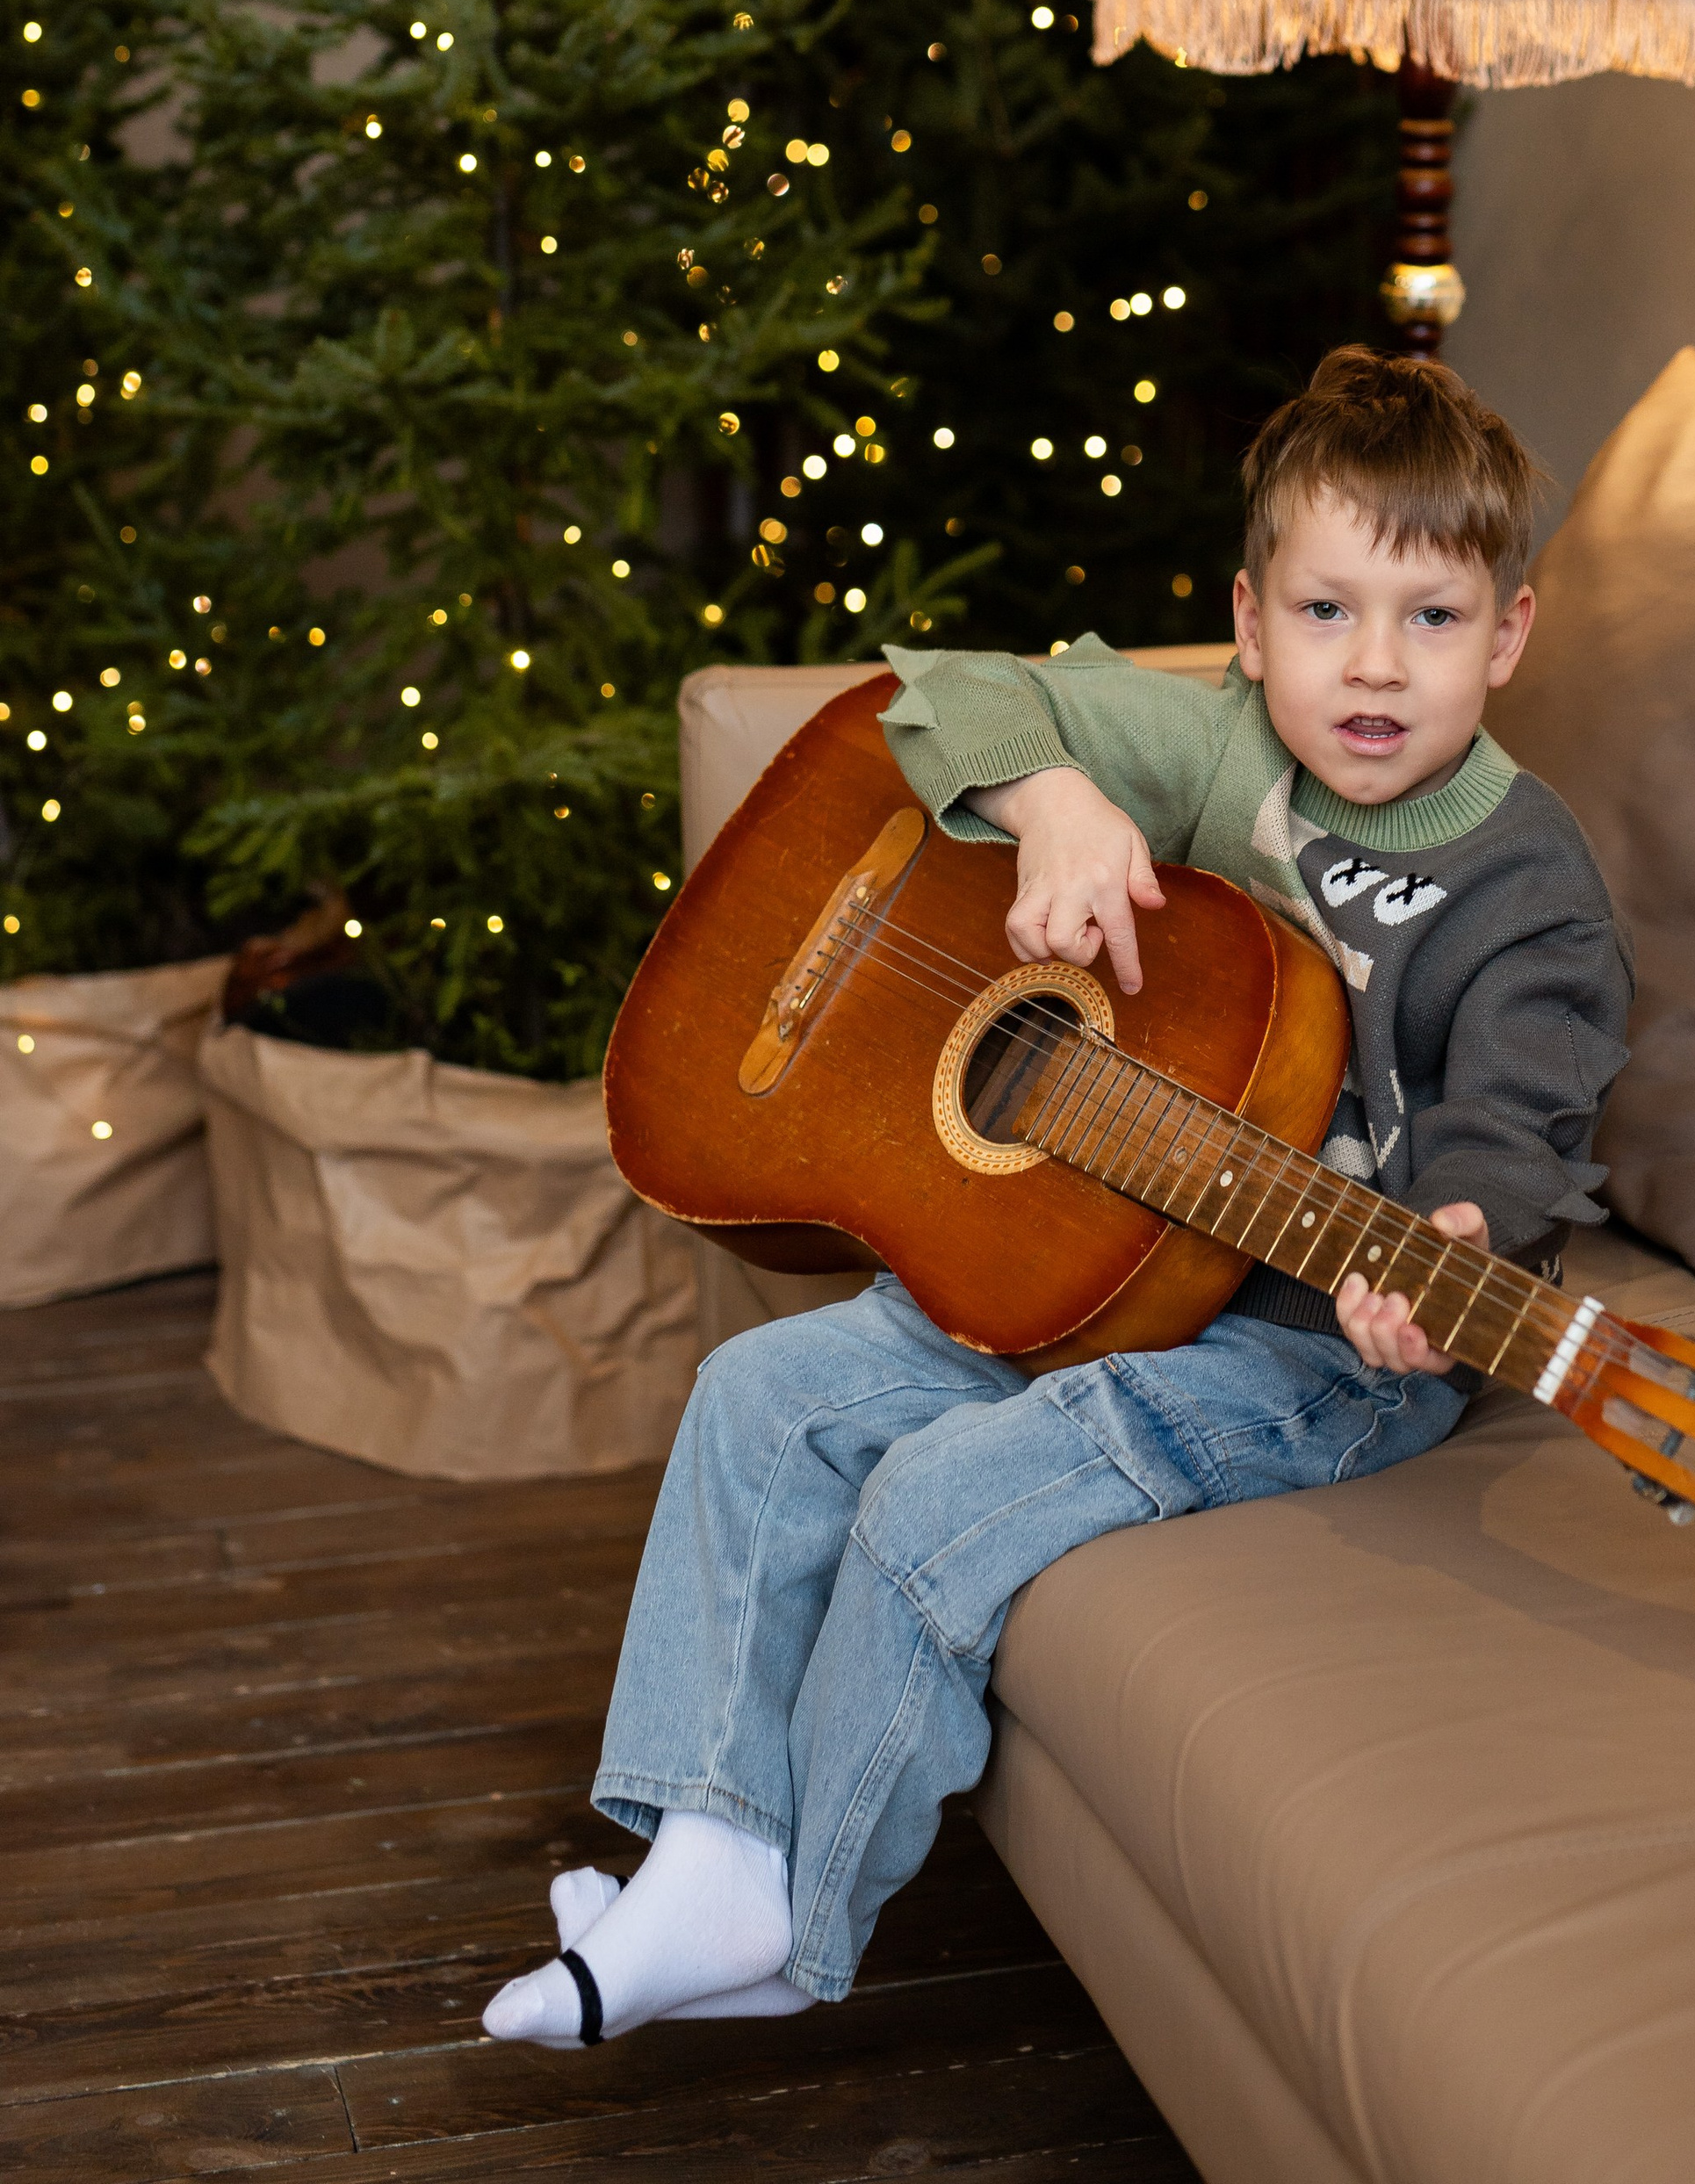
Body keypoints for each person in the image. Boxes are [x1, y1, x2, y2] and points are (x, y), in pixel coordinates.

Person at [482, 346, 1631, 2045]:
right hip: (1103, 1252)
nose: (1374, 665)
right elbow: (939, 689)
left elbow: (1519, 1126)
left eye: (1433, 619)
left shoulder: (1529, 886)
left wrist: (1453, 1248)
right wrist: (1060, 803)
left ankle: (797, 1938)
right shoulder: (1225, 745)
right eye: (1325, 612)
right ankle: (709, 1853)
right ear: (1250, 626)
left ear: (1510, 634)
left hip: (1315, 1353)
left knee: (936, 1497)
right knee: (755, 1396)